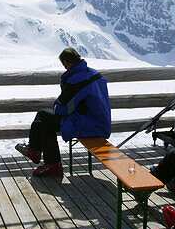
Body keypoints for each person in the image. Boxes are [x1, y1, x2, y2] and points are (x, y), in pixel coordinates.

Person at [15, 47, 111, 178]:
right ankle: (41, 156)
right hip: (99, 122)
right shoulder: (93, 73)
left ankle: (42, 156)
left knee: (43, 116)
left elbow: (63, 109)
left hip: (87, 125)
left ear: (67, 63)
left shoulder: (76, 80)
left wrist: (57, 105)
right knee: (44, 121)